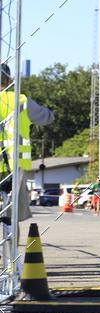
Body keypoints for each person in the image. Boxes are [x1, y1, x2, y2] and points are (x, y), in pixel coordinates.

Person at [0, 62, 53, 225]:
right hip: (16, 162)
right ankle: (10, 238)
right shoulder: (21, 100)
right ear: (9, 81)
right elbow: (47, 117)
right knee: (11, 216)